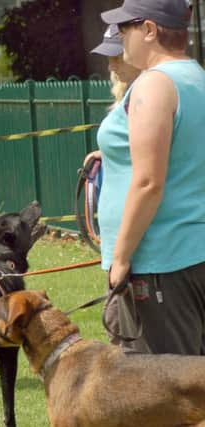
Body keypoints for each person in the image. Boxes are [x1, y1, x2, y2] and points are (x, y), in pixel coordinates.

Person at [96, 0, 205, 355]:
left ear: (149, 30)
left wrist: (122, 256)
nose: (121, 36)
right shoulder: (196, 76)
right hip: (191, 253)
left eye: (126, 27)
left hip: (161, 261)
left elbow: (148, 182)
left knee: (168, 395)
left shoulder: (154, 85)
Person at [86, 24, 141, 347]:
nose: (110, 65)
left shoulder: (148, 96)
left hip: (133, 248)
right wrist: (105, 153)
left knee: (127, 341)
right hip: (119, 244)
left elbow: (149, 172)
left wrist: (122, 256)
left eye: (116, 56)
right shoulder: (129, 98)